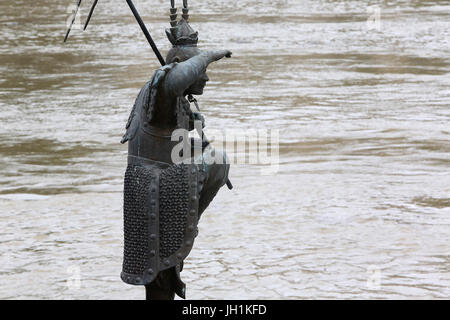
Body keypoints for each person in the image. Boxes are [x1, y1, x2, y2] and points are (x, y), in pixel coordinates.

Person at [120, 9, 232, 300]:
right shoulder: (163, 86)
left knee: (217, 161)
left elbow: (167, 147)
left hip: (161, 182)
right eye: (201, 69)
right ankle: (188, 222)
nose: (205, 77)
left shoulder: (175, 101)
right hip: (151, 186)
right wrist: (209, 54)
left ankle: (189, 222)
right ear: (183, 66)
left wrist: (196, 142)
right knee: (218, 162)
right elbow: (177, 77)